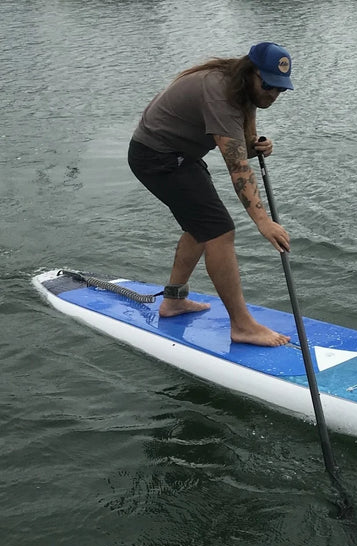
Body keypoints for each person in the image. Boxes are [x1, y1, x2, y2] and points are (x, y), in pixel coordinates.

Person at [127, 42, 295, 347]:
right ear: (250, 72)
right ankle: (242, 325)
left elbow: (243, 139)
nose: (273, 94)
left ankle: (174, 301)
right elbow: (238, 168)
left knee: (201, 227)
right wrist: (263, 221)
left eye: (280, 89)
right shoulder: (219, 91)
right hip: (156, 156)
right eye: (268, 85)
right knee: (219, 232)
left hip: (179, 156)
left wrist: (256, 142)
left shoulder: (241, 87)